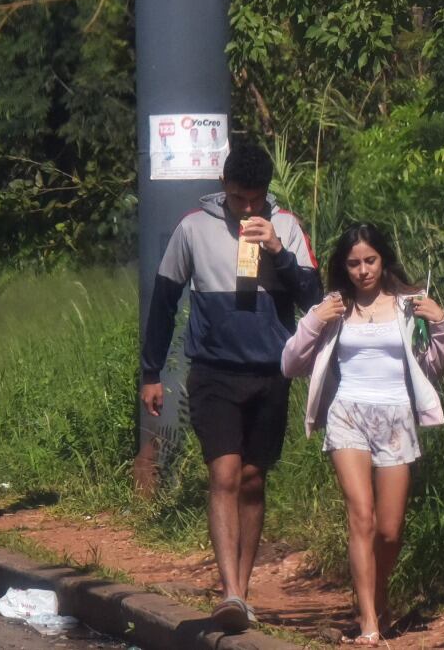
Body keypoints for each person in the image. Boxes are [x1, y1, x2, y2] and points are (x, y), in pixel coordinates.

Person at [139, 141, 322, 633]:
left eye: (255, 200)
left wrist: (278, 253)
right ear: (224, 188)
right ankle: (231, 593)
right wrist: (151, 372)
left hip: (270, 371)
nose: (247, 209)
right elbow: (164, 299)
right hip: (214, 371)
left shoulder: (285, 226)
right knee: (222, 473)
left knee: (252, 479)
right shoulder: (193, 227)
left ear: (266, 195)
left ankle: (244, 590)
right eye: (239, 199)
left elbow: (313, 297)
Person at [281, 224, 444, 646]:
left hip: (397, 416)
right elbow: (289, 363)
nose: (362, 271)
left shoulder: (406, 305)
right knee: (361, 516)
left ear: (383, 259)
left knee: (389, 530)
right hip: (348, 416)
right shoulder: (335, 308)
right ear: (344, 267)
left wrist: (442, 324)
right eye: (354, 263)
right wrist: (312, 320)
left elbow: (433, 364)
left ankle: (378, 594)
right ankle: (369, 623)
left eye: (370, 261)